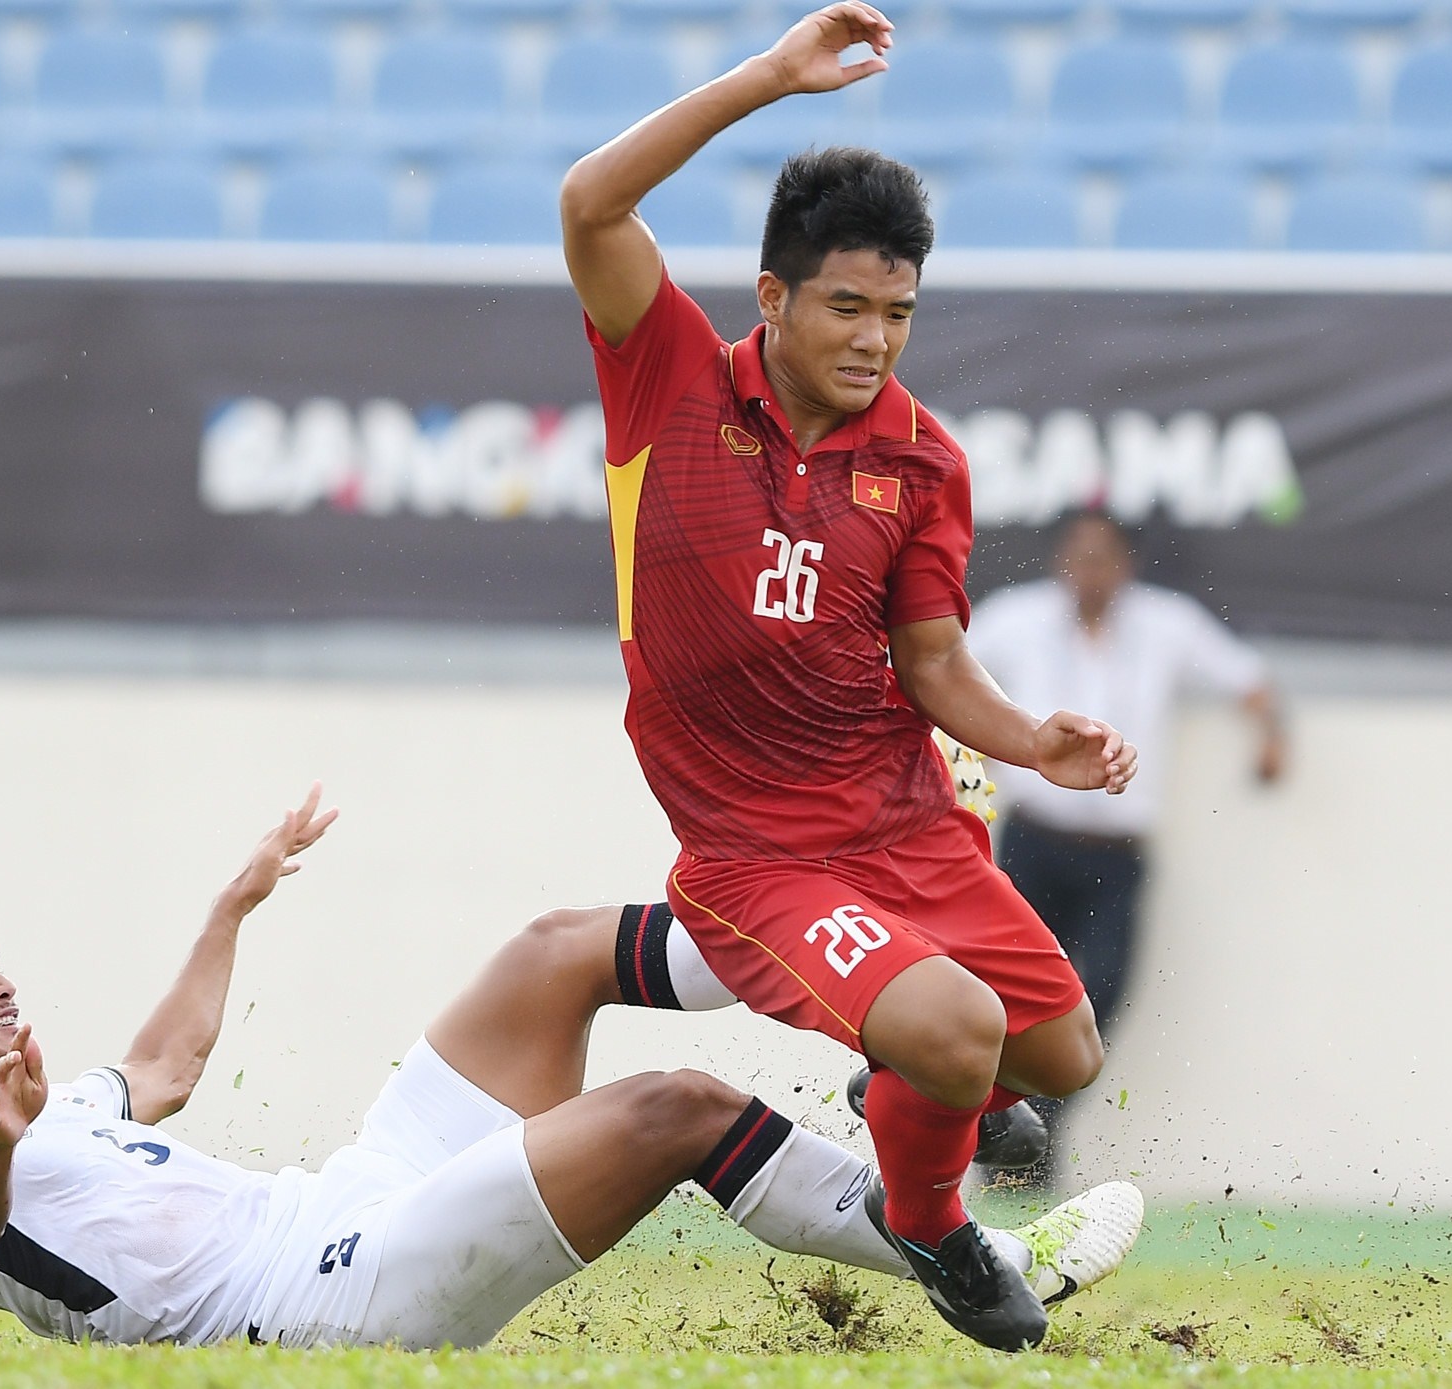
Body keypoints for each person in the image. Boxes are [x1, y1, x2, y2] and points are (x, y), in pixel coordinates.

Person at [559, 1, 1142, 1351]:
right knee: (955, 1029)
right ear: (772, 295)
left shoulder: (923, 460)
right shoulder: (666, 380)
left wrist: (1029, 737)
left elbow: (932, 656)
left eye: (900, 312)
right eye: (847, 306)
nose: (877, 337)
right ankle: (935, 1229)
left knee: (1060, 1056)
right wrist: (771, 77)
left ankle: (912, 1088)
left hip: (906, 817)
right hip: (756, 852)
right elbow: (590, 201)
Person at [0, 784, 1142, 1351]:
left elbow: (170, 1057)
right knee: (676, 1110)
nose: (1, 977)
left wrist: (233, 904)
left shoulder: (42, 1099)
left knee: (551, 953)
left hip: (350, 1200)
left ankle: (848, 971)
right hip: (317, 1309)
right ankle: (970, 1254)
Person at [963, 512, 1284, 1177]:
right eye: (1079, 557)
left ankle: (1032, 1126)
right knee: (1008, 996)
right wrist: (969, 760)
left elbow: (1249, 680)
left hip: (1116, 851)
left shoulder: (1168, 625)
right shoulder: (1015, 618)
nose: (1091, 571)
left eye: (1103, 558)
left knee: (1099, 997)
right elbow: (944, 670)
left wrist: (1271, 740)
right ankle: (1010, 1145)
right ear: (1060, 562)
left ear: (1126, 565)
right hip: (1033, 842)